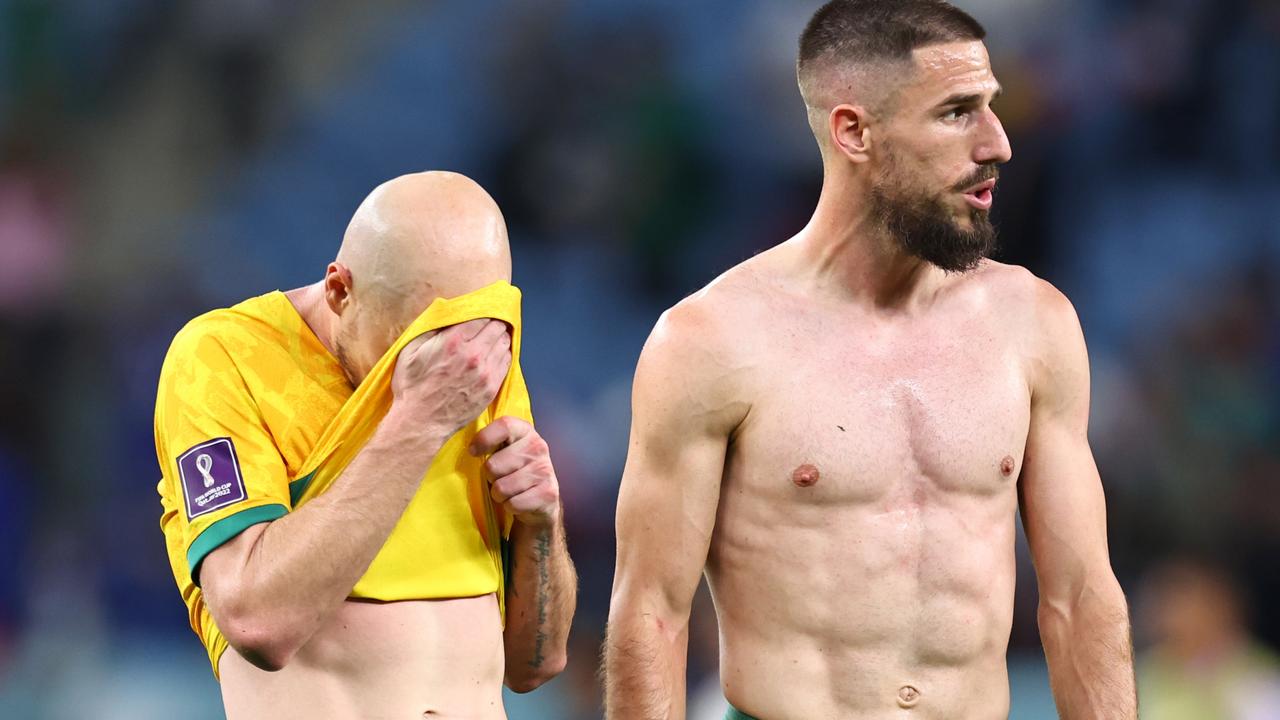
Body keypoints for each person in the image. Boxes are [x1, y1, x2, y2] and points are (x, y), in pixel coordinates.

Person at [604, 1, 1135, 718]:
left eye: (991, 107)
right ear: (854, 130)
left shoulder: (1034, 324)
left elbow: (1080, 599)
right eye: (956, 113)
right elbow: (653, 616)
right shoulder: (712, 340)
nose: (998, 143)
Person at [154, 171, 576, 719]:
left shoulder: (480, 360)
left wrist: (543, 525)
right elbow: (257, 624)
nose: (452, 367)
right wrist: (419, 421)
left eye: (469, 334)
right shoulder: (223, 358)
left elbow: (535, 665)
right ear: (340, 291)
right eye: (417, 342)